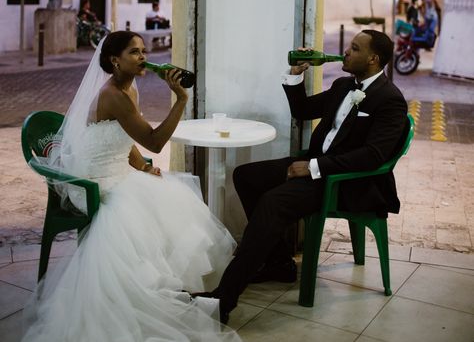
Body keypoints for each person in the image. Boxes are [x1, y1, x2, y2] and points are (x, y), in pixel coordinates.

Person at [22, 31, 240, 342]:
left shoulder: (129, 87)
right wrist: (181, 99)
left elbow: (124, 140)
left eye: (143, 51)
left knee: (171, 194)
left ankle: (161, 285)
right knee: (143, 213)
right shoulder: (113, 95)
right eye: (134, 52)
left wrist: (143, 166)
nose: (143, 57)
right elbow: (154, 140)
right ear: (115, 60)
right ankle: (141, 291)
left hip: (117, 171)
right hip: (92, 182)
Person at [193, 30, 408, 323]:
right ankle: (279, 262)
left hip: (346, 182)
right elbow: (303, 110)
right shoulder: (345, 85)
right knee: (246, 176)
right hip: (319, 166)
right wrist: (296, 75)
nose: (345, 52)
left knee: (272, 202)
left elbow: (373, 155)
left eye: (354, 48)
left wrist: (314, 167)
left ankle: (224, 298)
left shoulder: (390, 99)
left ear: (373, 59)